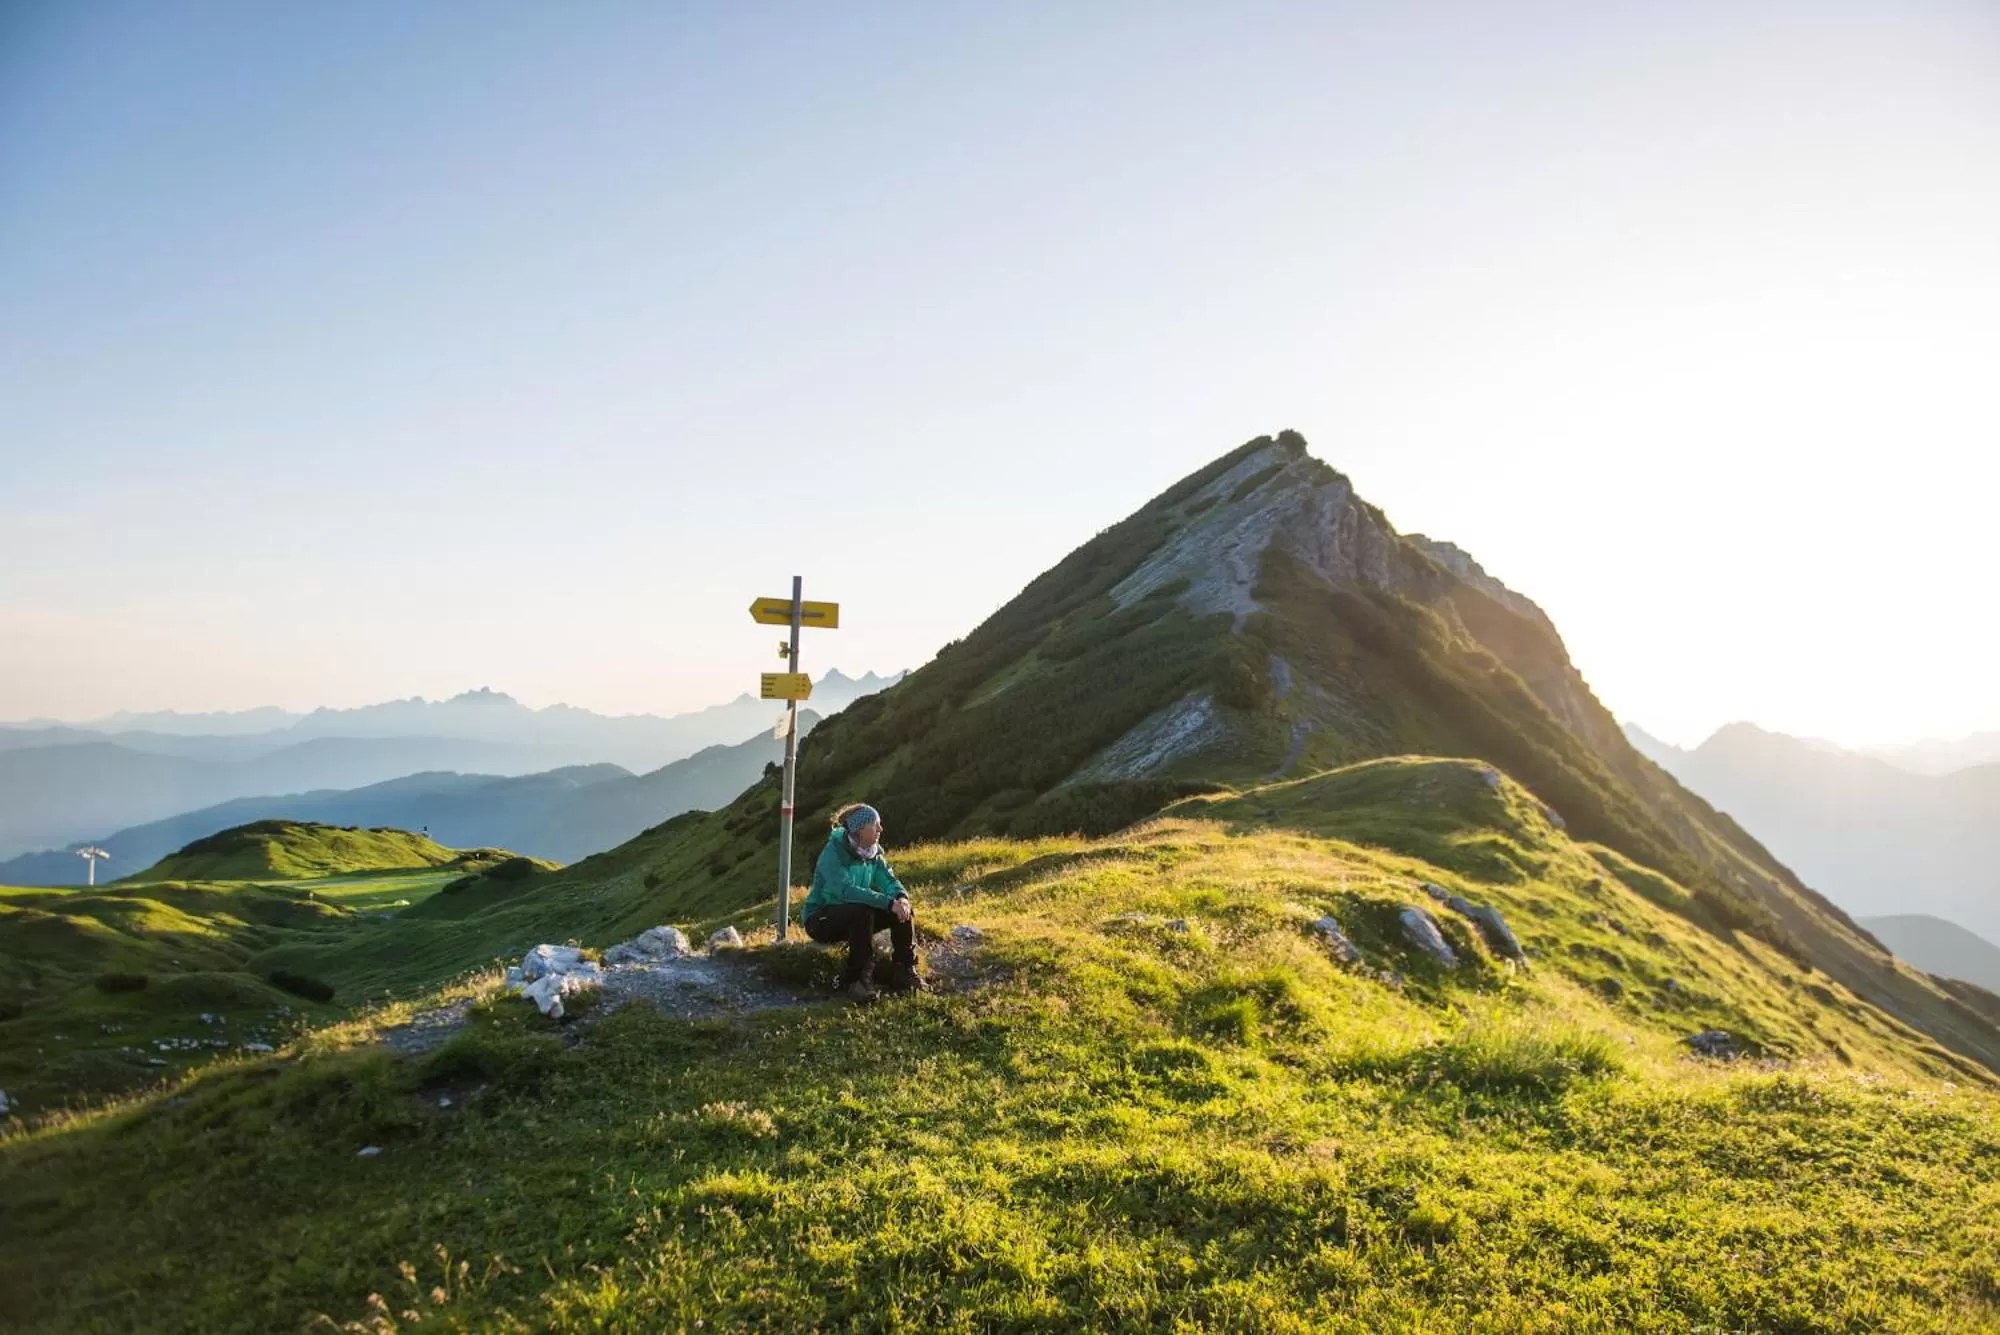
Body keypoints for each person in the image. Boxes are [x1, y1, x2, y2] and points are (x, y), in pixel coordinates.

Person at [802, 802, 920, 1002]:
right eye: (875, 824)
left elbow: (889, 881)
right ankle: (856, 980)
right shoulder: (833, 853)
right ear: (859, 829)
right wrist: (887, 902)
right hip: (821, 919)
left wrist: (901, 898)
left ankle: (904, 970)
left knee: (902, 911)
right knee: (862, 912)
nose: (880, 829)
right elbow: (845, 891)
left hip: (856, 916)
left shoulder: (873, 853)